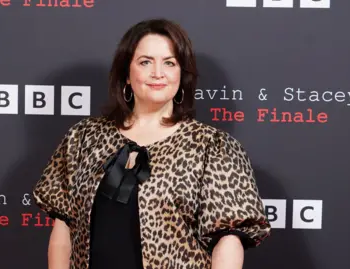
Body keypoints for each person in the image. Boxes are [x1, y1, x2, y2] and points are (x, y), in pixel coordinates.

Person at [32, 18, 270, 269]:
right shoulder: (83, 137)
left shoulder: (214, 147)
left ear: (182, 75)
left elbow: (228, 242)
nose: (158, 73)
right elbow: (63, 230)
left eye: (169, 63)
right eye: (145, 62)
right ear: (126, 73)